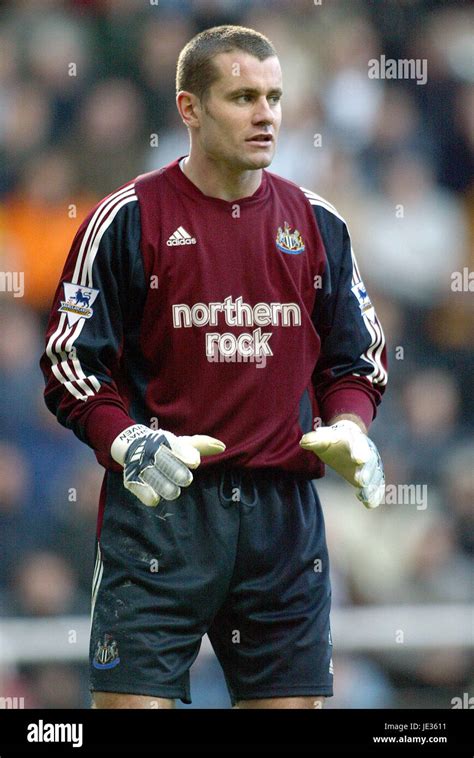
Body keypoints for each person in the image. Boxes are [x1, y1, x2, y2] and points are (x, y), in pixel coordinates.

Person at [41, 25, 388, 710]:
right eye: (242, 97)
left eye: (275, 97)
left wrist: (352, 426)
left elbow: (356, 358)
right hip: (161, 513)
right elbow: (69, 362)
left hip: (283, 522)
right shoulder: (125, 219)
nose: (266, 114)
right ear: (189, 108)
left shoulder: (317, 223)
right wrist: (126, 440)